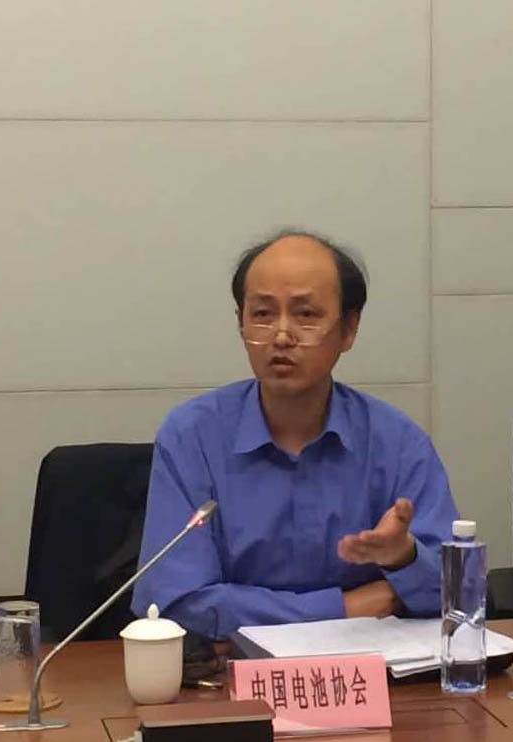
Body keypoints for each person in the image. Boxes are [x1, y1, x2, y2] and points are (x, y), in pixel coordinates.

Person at [132, 231, 457, 640]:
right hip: (232, 674)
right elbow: (174, 602)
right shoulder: (192, 436)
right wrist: (346, 607)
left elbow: (457, 593)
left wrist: (404, 558)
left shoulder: (398, 443)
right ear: (240, 323)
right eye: (262, 314)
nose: (281, 336)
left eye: (306, 315)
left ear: (348, 329)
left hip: (370, 671)